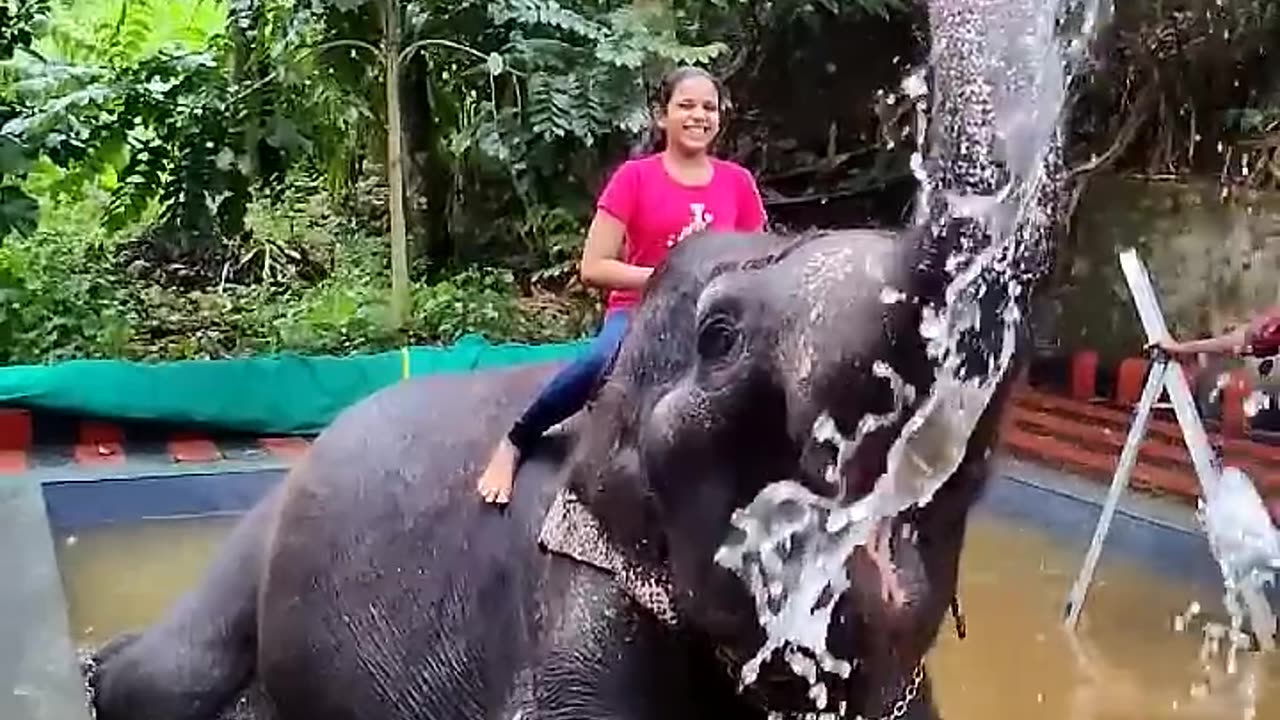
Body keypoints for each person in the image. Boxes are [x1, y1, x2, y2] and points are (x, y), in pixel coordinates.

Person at [473, 65, 769, 505]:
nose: (699, 116)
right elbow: (593, 266)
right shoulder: (635, 178)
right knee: (598, 362)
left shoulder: (737, 183)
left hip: (712, 316)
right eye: (685, 105)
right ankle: (517, 440)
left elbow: (758, 258)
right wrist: (668, 277)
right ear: (661, 115)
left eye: (709, 107)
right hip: (640, 310)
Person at [1154, 305, 1280, 363]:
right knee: (1216, 345)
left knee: (1215, 345)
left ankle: (1176, 348)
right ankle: (1177, 349)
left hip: (1257, 339)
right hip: (1257, 338)